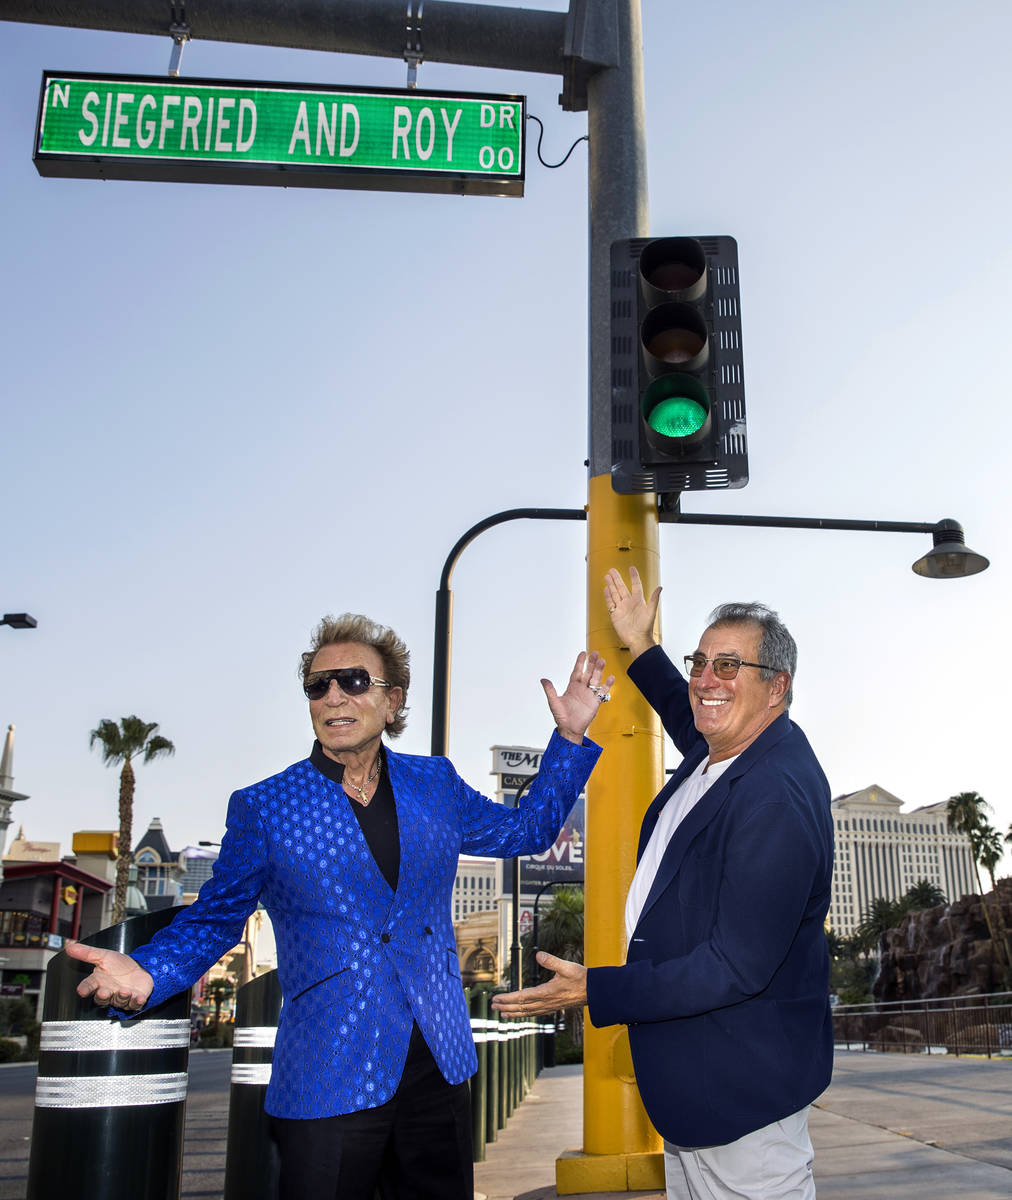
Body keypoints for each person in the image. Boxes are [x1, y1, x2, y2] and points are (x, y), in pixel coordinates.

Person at [67, 613, 611, 1200]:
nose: (333, 697)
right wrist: (150, 969)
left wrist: (571, 739)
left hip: (438, 1062)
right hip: (329, 1066)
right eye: (318, 685)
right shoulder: (265, 808)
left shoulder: (436, 783)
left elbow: (524, 833)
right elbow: (215, 917)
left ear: (392, 700)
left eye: (353, 681)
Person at [494, 567, 834, 1200]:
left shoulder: (774, 797)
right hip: (698, 1094)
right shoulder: (728, 746)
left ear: (776, 687)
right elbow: (690, 711)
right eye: (700, 661)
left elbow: (735, 966)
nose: (705, 681)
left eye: (728, 667)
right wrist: (641, 645)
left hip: (745, 1104)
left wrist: (596, 989)